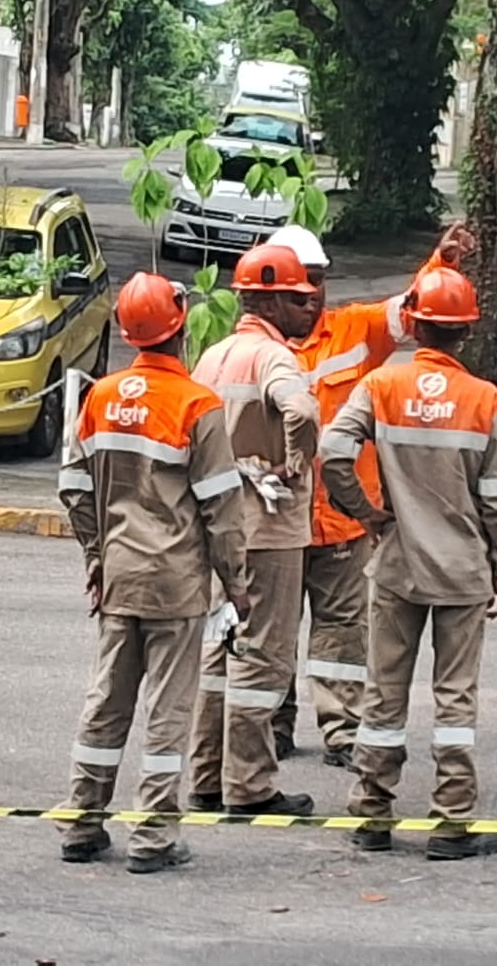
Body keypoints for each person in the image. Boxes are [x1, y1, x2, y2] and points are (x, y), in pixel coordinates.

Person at [319, 267, 497, 860]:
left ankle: (372, 811)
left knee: (384, 692)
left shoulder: (382, 385)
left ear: (417, 326)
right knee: (454, 695)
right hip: (461, 569)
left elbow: (332, 452)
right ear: (466, 334)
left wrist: (369, 515)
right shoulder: (483, 399)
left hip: (398, 563)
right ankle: (451, 820)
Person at [56, 272, 250, 874]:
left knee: (106, 701)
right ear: (182, 325)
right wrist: (238, 587)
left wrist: (96, 557)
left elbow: (74, 488)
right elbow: (222, 511)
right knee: (168, 710)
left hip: (119, 576)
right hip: (177, 583)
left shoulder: (100, 396)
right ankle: (153, 836)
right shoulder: (196, 404)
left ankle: (82, 821)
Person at [264, 222, 474, 771]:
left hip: (340, 521)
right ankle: (271, 724)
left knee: (341, 630)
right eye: (300, 286)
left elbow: (410, 312)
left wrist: (441, 263)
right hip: (274, 520)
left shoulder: (353, 331)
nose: (312, 296)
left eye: (318, 283)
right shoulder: (255, 353)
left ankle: (340, 726)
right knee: (272, 630)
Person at [188, 244, 322, 817]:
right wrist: (297, 461)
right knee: (263, 656)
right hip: (269, 528)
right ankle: (250, 785)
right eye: (296, 299)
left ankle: (207, 776)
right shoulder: (273, 358)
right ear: (267, 299)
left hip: (219, 526)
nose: (308, 309)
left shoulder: (213, 356)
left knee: (220, 649)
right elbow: (303, 412)